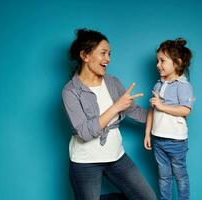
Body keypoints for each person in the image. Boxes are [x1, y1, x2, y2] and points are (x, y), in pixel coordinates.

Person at [62, 28, 156, 200]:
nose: (108, 59)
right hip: (85, 163)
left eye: (109, 54)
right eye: (103, 53)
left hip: (116, 158)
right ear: (85, 56)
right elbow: (84, 132)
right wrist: (116, 107)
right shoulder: (70, 91)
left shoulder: (113, 82)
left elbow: (133, 111)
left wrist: (164, 114)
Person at [144, 38, 195, 200]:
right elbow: (151, 111)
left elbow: (185, 110)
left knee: (180, 176)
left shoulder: (183, 85)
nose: (158, 65)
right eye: (157, 61)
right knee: (164, 176)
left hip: (176, 141)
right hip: (158, 138)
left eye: (162, 61)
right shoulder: (158, 84)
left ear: (177, 62)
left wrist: (162, 106)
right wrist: (147, 134)